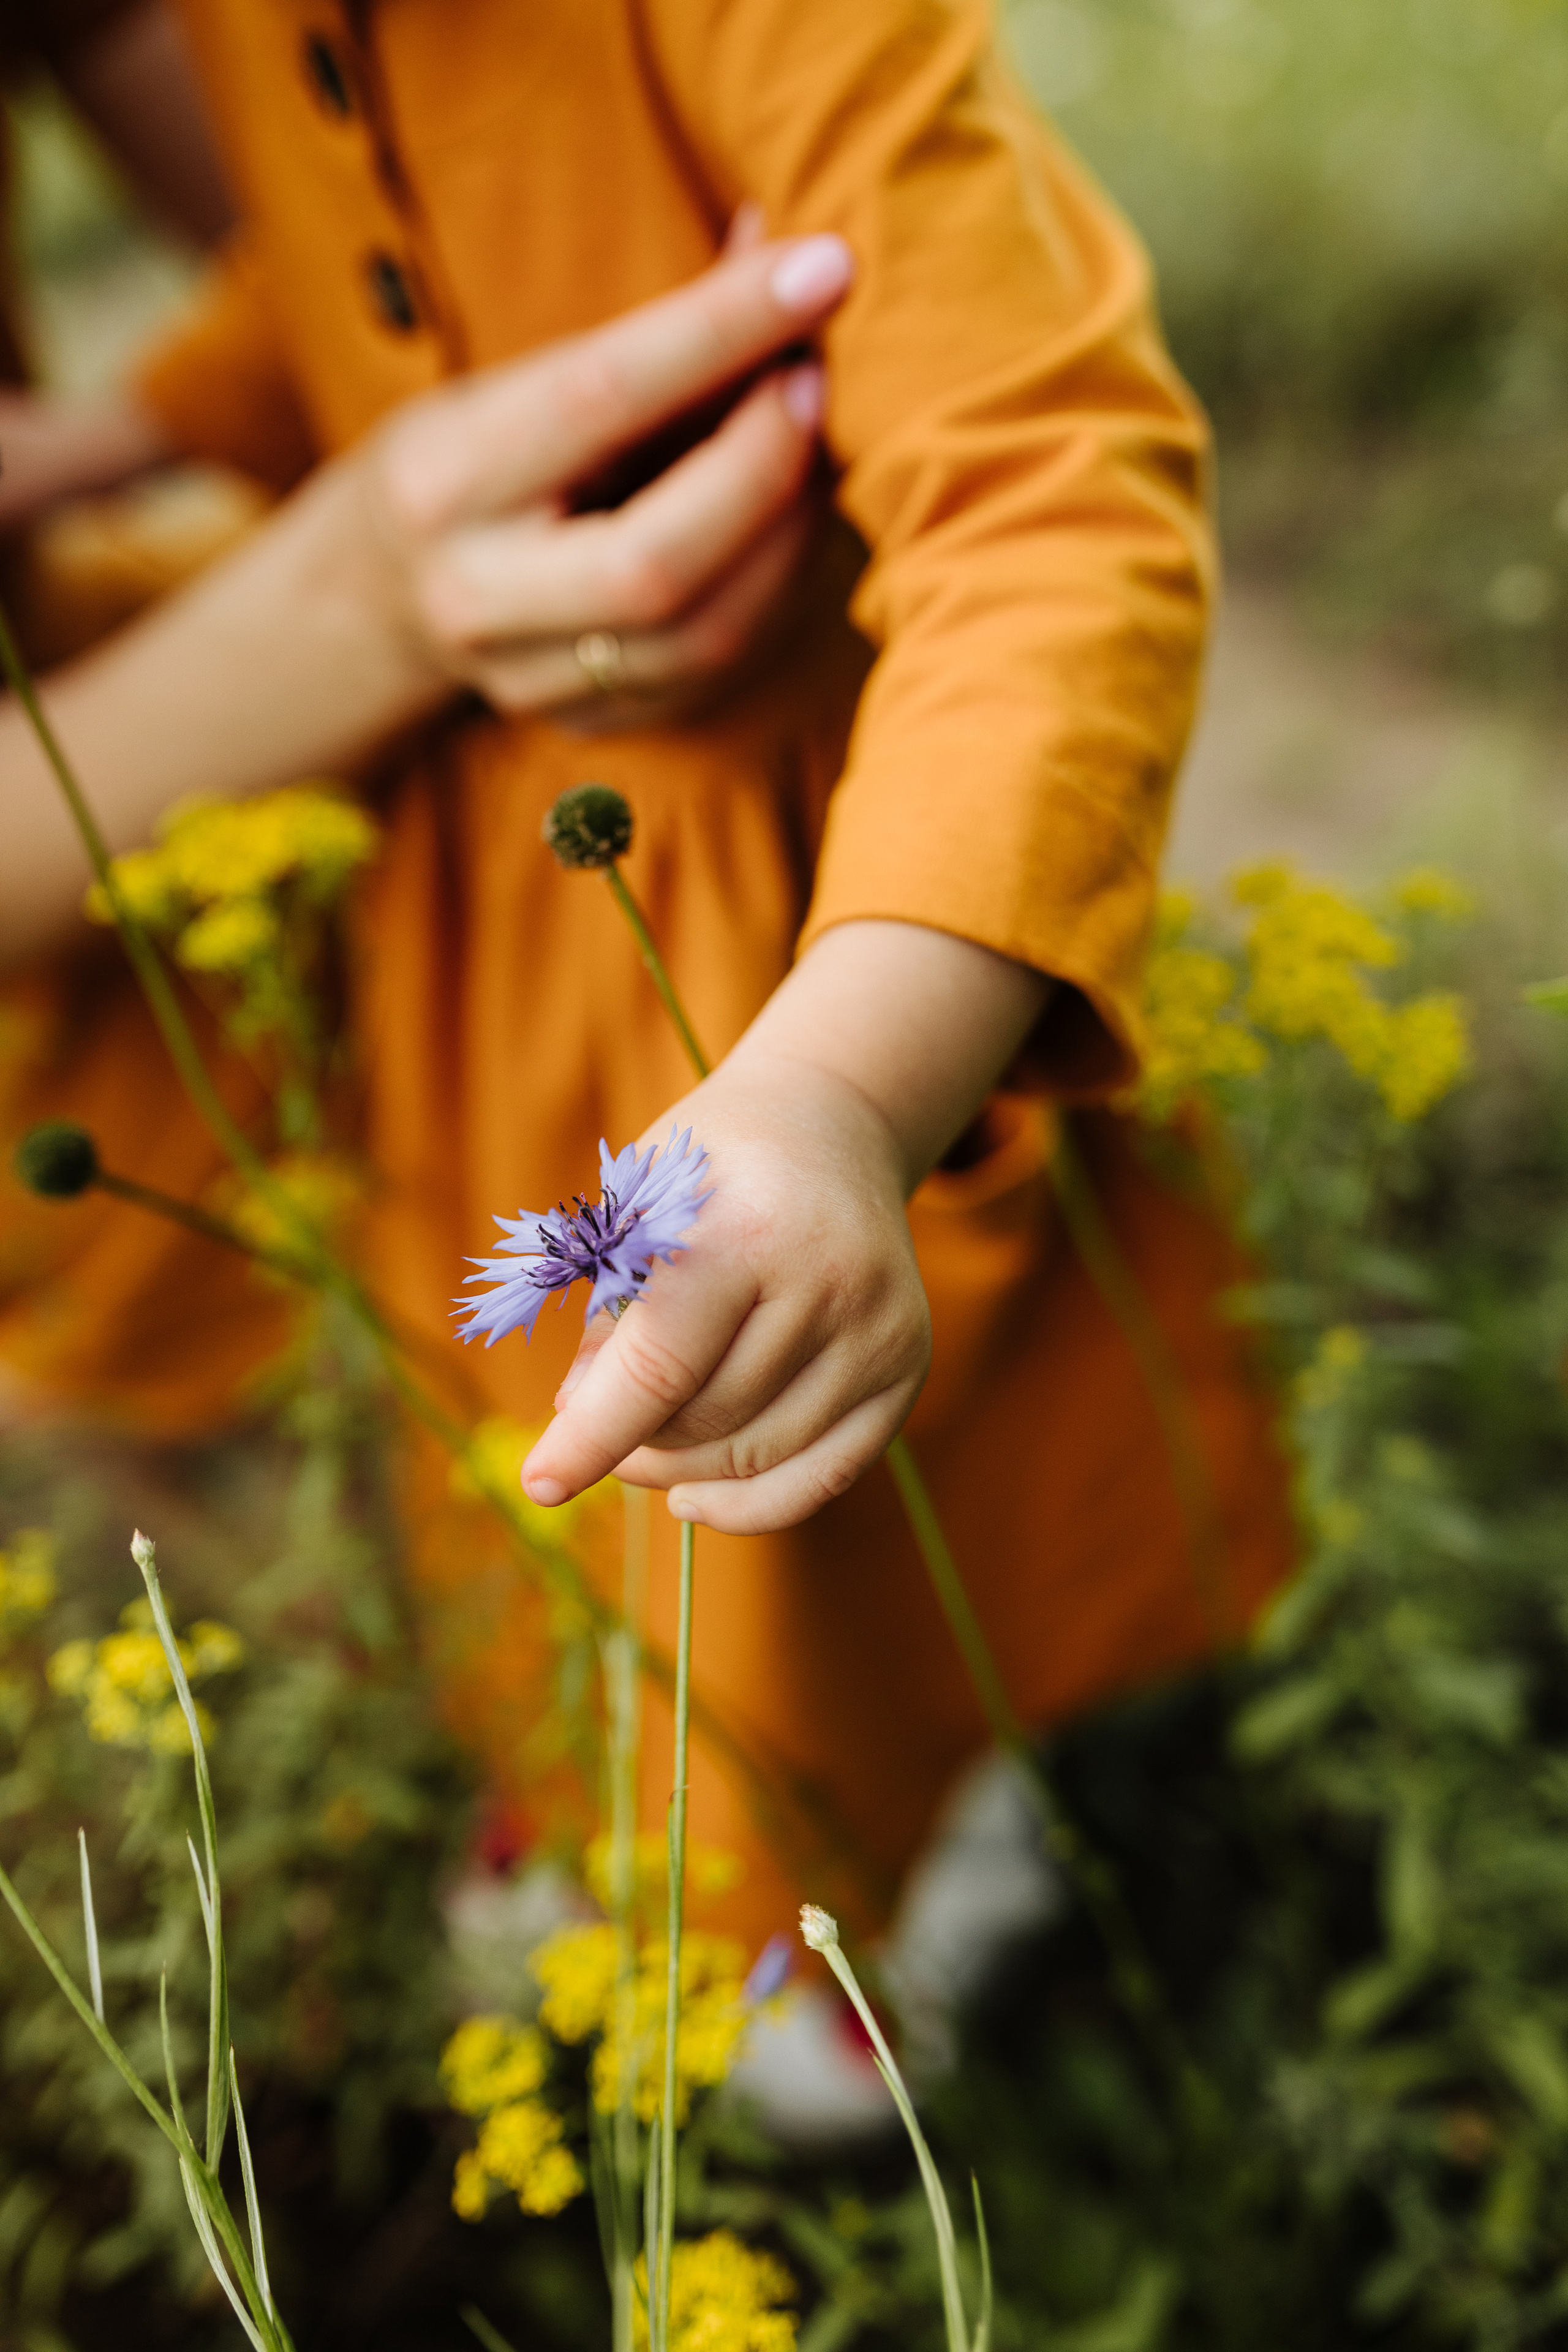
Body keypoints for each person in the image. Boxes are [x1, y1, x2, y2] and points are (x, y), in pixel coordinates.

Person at [0, 0, 1294, 1975]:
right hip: (495, 918)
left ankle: (865, 1885)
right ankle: (612, 1776)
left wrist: (845, 1091)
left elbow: (1053, 495)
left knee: (827, 1480)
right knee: (543, 1417)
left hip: (809, 937)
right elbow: (330, 280)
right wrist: (119, 440)